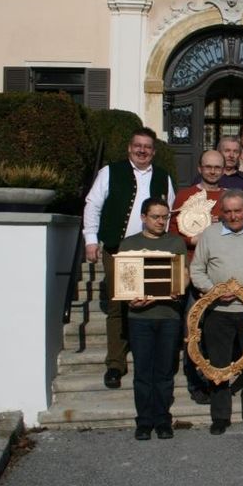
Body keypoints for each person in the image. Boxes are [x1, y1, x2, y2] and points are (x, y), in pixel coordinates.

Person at [83, 127, 175, 390]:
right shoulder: (110, 172)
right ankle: (116, 363)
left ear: (154, 151)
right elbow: (93, 205)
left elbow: (166, 215)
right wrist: (91, 240)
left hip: (151, 251)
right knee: (118, 305)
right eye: (138, 145)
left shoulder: (163, 176)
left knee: (152, 303)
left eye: (147, 147)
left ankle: (150, 358)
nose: (142, 150)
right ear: (129, 147)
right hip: (117, 249)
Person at [190, 189, 243, 435]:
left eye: (238, 211)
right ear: (221, 213)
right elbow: (196, 270)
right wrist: (213, 290)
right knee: (218, 365)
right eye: (227, 211)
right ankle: (220, 416)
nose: (233, 216)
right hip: (218, 312)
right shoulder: (209, 234)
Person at [118, 198, 188, 441]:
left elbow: (183, 277)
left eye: (164, 217)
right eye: (156, 217)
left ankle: (162, 419)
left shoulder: (175, 242)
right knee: (143, 372)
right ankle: (144, 421)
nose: (161, 221)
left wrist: (176, 288)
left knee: (164, 371)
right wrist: (130, 300)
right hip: (139, 318)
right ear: (143, 217)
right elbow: (124, 281)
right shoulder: (129, 244)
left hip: (169, 316)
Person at [170, 149, 226, 404]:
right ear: (200, 168)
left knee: (219, 333)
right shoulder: (185, 195)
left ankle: (219, 378)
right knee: (193, 330)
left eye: (218, 167)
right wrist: (196, 239)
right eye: (208, 166)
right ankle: (196, 382)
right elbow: (172, 233)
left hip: (222, 275)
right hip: (194, 275)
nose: (213, 171)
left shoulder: (229, 197)